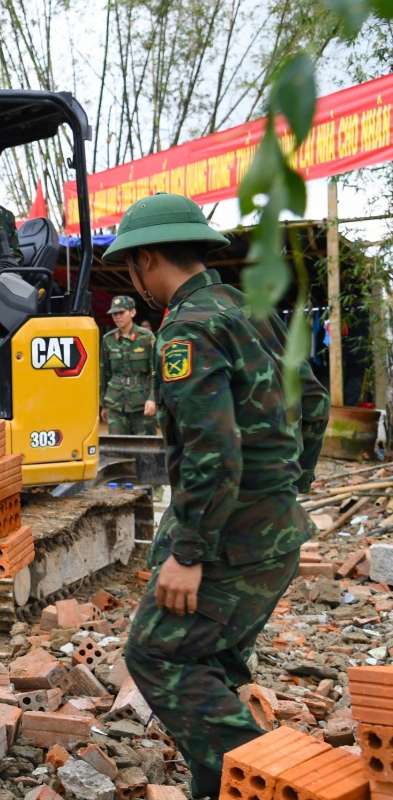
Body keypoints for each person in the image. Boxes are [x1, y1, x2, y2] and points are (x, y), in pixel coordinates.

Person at [104, 193, 330, 798]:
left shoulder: (187, 328)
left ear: (145, 260)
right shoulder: (248, 308)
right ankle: (221, 785)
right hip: (273, 532)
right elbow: (313, 401)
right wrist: (289, 488)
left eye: (131, 267)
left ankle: (270, 782)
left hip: (231, 540)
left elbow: (212, 451)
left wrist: (189, 553)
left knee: (157, 656)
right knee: (213, 662)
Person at [99, 295, 157, 435]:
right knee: (117, 446)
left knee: (145, 447)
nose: (118, 317)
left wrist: (153, 399)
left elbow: (155, 372)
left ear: (132, 312)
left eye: (121, 312)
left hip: (141, 403)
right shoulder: (108, 340)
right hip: (115, 403)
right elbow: (104, 373)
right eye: (115, 313)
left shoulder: (146, 337)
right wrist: (103, 404)